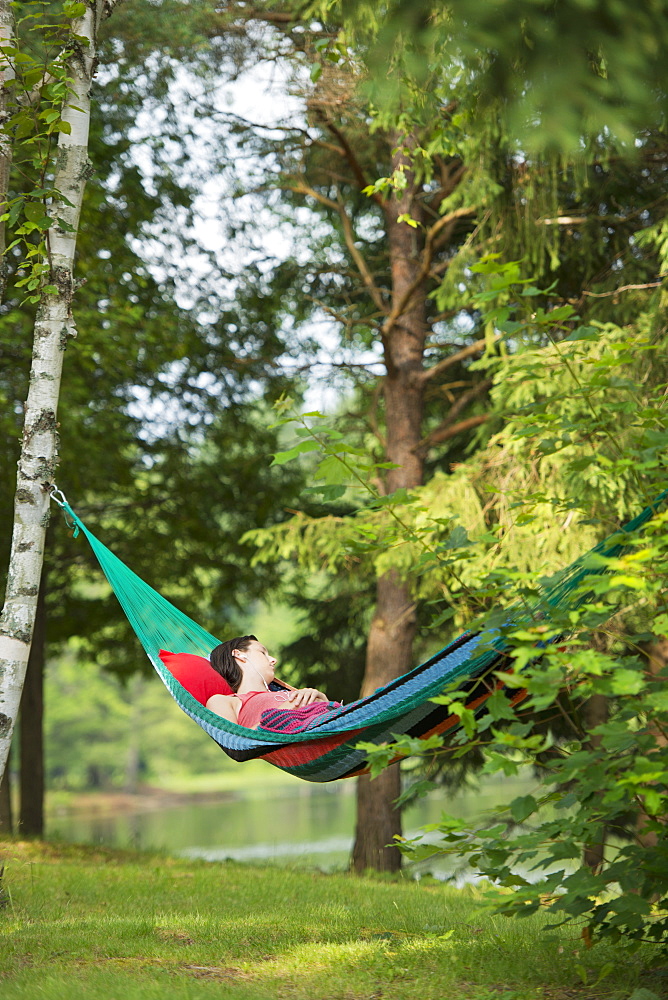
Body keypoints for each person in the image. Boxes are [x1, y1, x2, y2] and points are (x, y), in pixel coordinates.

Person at [206, 634, 337, 731]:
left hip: (337, 722)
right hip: (317, 734)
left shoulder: (284, 692)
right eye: (263, 653)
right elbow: (236, 744)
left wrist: (322, 700)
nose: (274, 660)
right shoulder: (224, 701)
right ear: (239, 655)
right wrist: (288, 708)